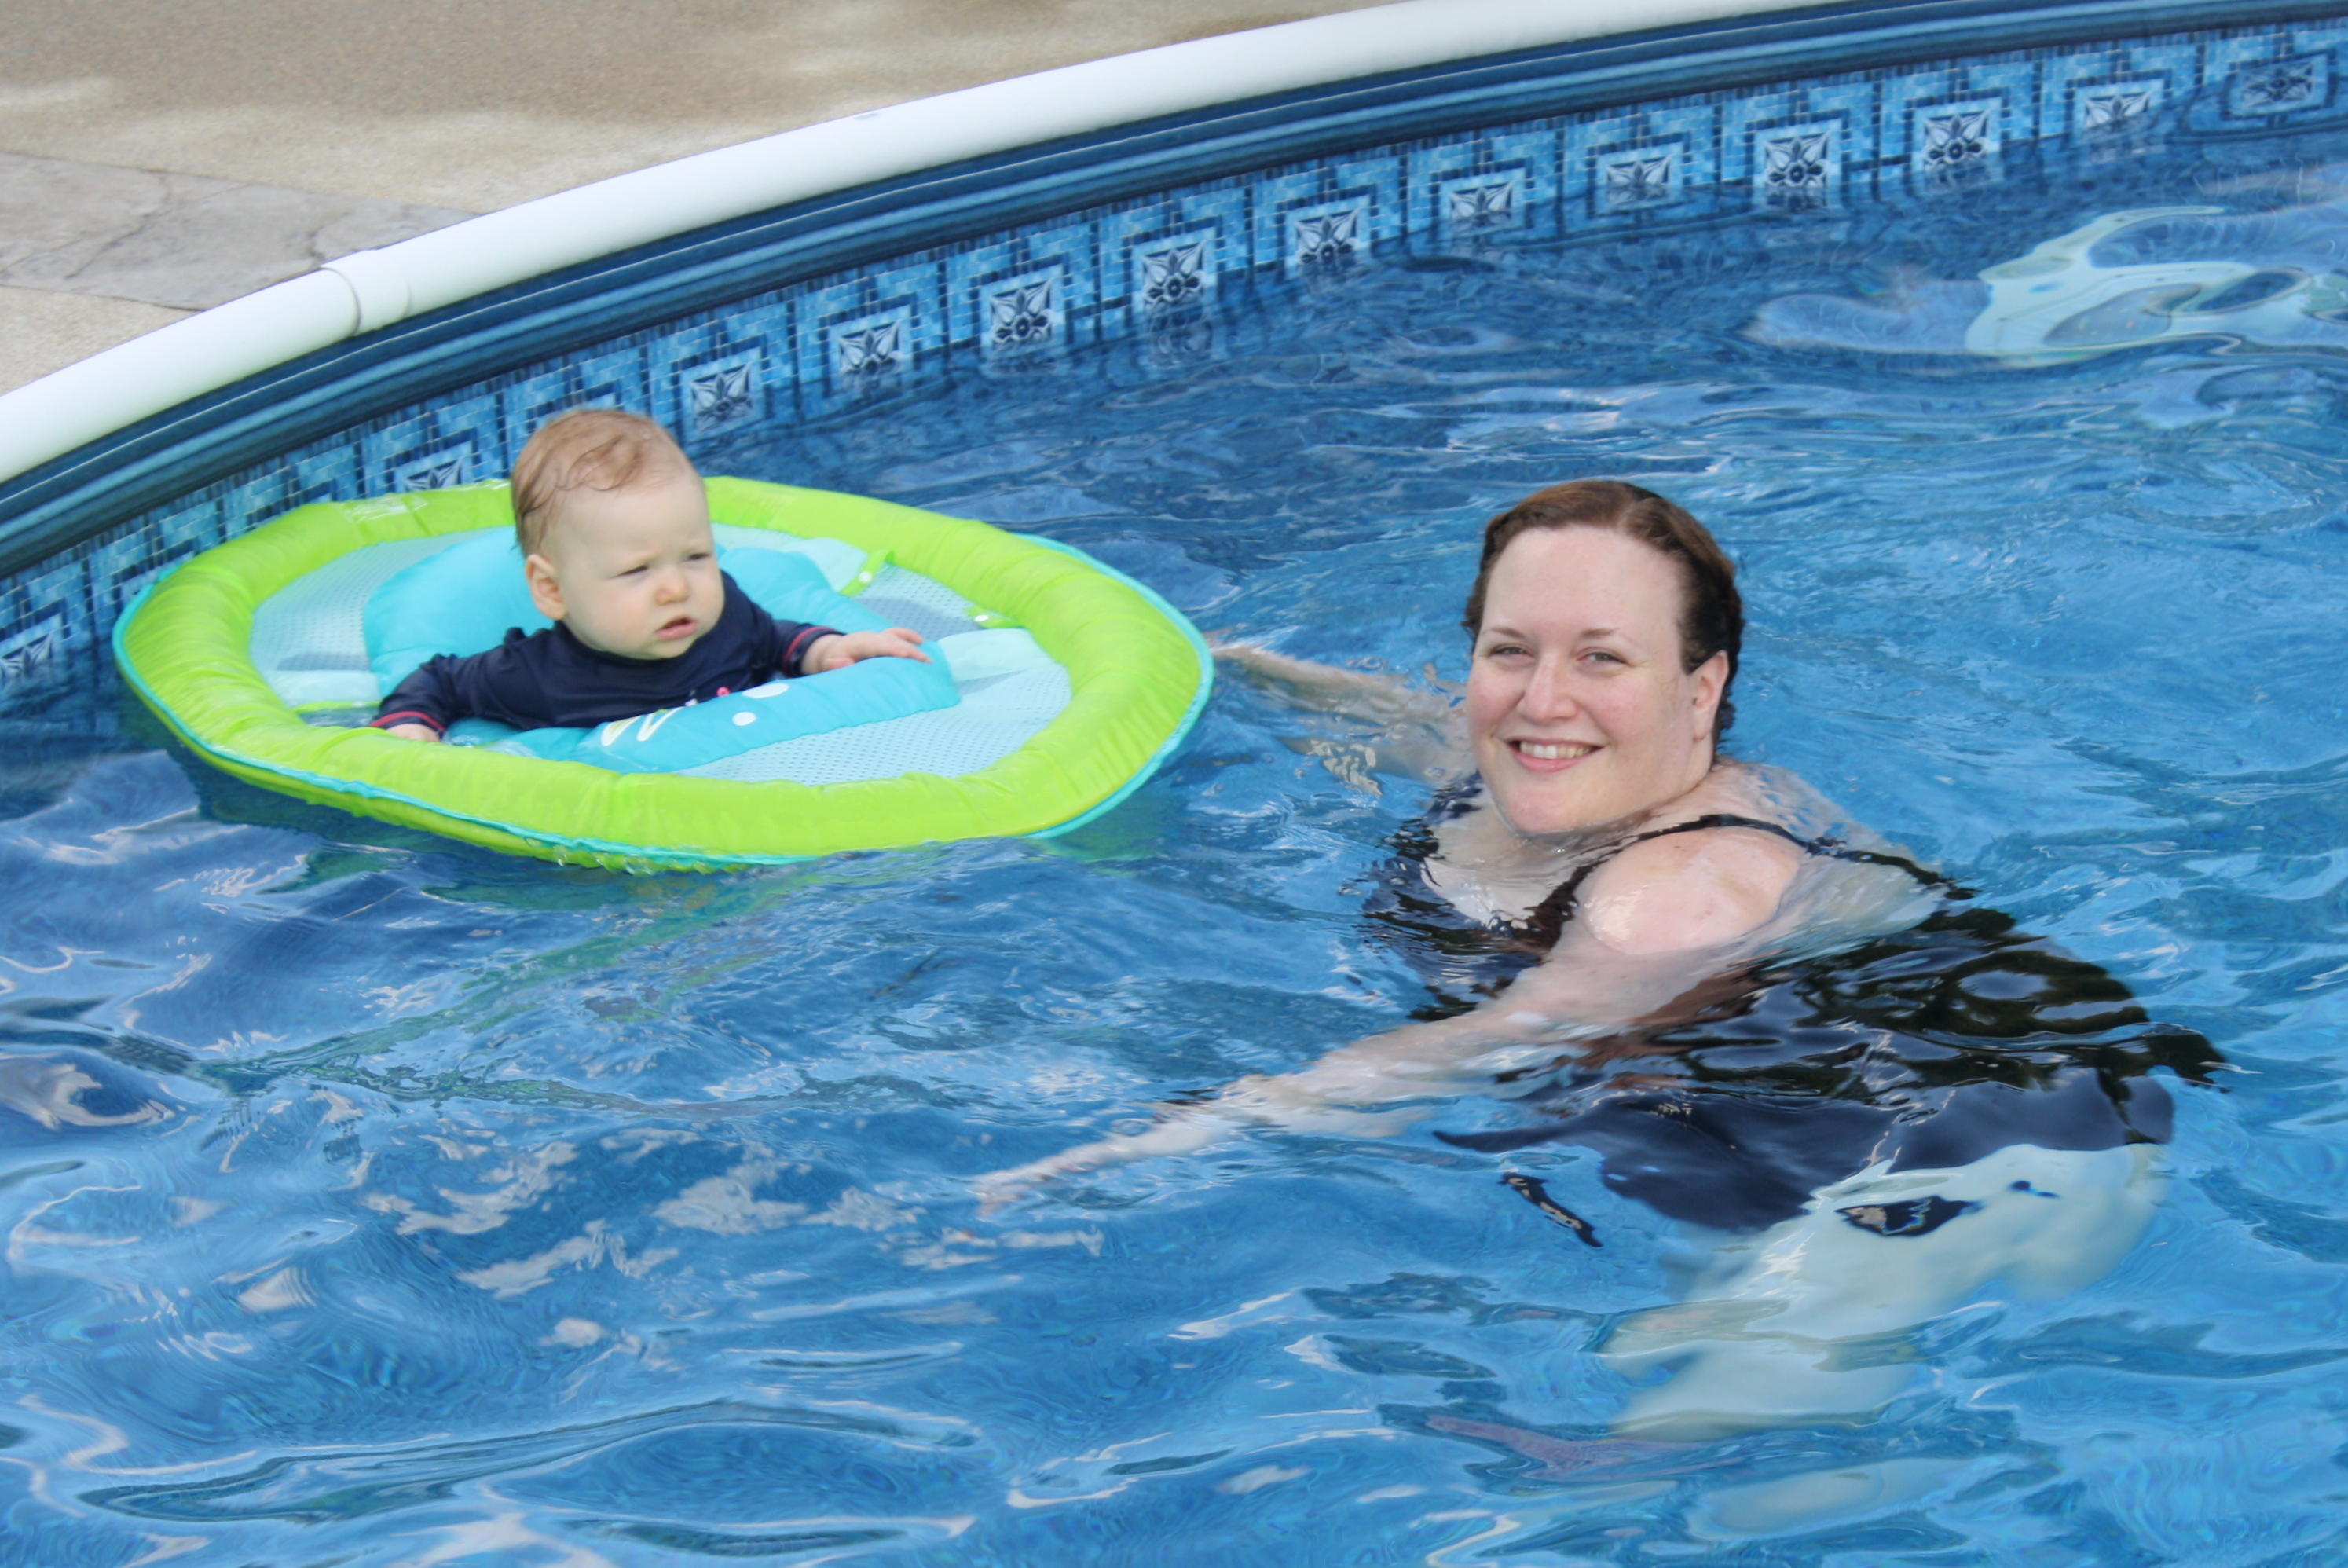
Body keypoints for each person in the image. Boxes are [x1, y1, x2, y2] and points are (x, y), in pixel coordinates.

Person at [980, 479, 2216, 1443]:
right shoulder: (1525, 766)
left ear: (1700, 687)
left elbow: (1482, 1045)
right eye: (1509, 650)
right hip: (1813, 1133)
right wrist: (1179, 657)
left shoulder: (1669, 891)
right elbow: (1376, 715)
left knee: (1615, 1472)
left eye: (1602, 658)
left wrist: (1148, 1147)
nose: (1542, 700)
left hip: (1994, 1151)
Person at [372, 408, 929, 741]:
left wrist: (827, 650)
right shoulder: (535, 676)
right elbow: (439, 681)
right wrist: (411, 723)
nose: (676, 588)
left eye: (695, 556)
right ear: (552, 590)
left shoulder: (725, 617)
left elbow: (772, 641)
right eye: (637, 569)